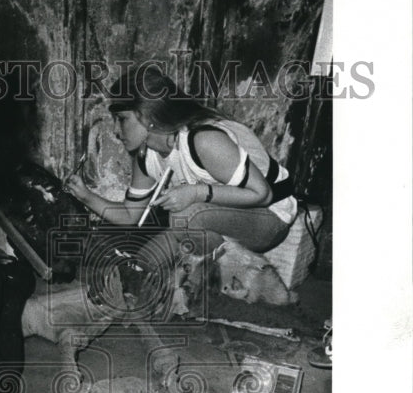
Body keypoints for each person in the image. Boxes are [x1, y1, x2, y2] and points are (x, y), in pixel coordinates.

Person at [63, 65, 298, 314]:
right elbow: (130, 215)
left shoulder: (203, 140)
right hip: (214, 218)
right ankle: (195, 283)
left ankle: (232, 282)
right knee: (139, 268)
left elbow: (263, 194)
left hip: (270, 216)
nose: (115, 131)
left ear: (148, 115)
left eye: (122, 119)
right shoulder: (146, 155)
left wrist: (196, 192)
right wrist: (86, 196)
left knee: (184, 217)